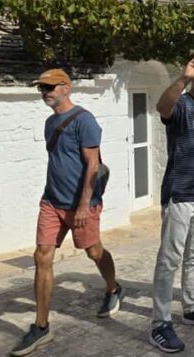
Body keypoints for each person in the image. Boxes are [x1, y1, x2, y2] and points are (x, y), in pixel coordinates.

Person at [12, 69, 121, 356]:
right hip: (52, 201)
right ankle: (41, 326)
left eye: (49, 87)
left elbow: (92, 165)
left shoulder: (84, 121)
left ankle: (112, 288)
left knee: (94, 252)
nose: (45, 92)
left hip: (81, 203)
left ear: (65, 88)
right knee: (42, 255)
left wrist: (84, 205)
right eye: (41, 88)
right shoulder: (50, 123)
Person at [150, 55, 194, 354]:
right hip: (180, 195)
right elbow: (161, 107)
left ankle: (191, 307)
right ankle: (160, 324)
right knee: (169, 260)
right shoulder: (181, 105)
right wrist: (182, 77)